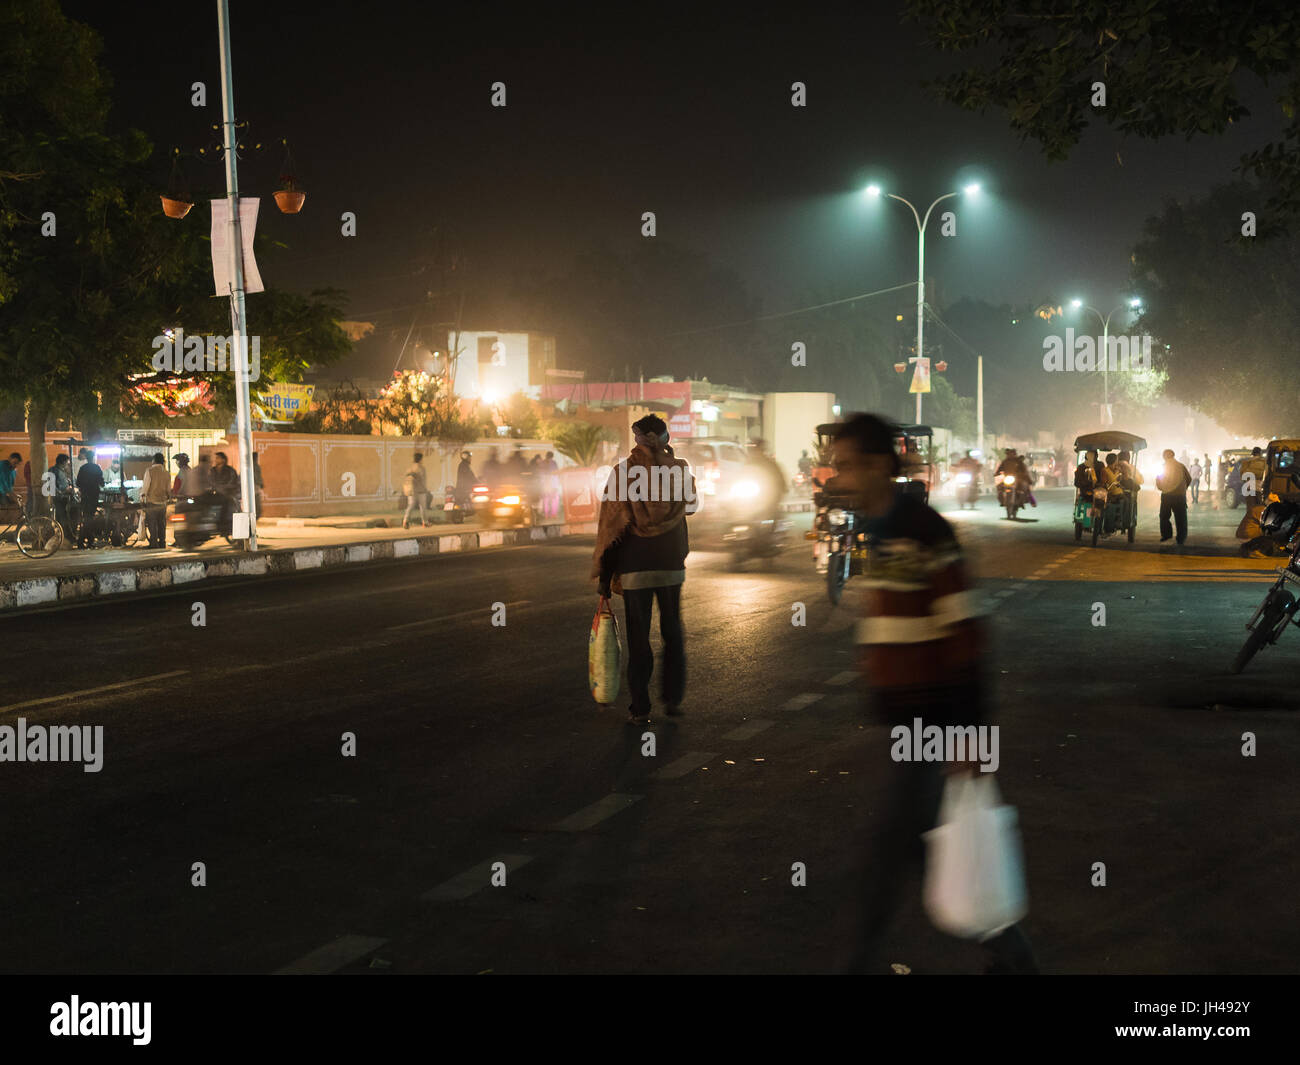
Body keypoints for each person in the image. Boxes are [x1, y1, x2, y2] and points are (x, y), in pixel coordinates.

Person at [833, 413, 1037, 975]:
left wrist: (971, 732)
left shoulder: (923, 530)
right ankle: (1008, 953)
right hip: (905, 721)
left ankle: (862, 961)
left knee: (886, 857)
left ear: (878, 465)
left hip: (932, 723)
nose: (837, 473)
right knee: (928, 850)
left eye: (847, 463)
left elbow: (965, 633)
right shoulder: (876, 527)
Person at [591, 414, 697, 724]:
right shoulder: (680, 470)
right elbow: (691, 505)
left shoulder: (622, 473)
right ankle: (673, 700)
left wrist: (606, 574)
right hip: (671, 564)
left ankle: (640, 708)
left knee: (639, 638)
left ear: (636, 440)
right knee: (672, 631)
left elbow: (611, 528)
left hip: (635, 566)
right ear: (666, 439)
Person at [1156, 448, 1191, 544]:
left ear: (1164, 457)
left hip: (1167, 495)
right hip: (1180, 496)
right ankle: (1181, 538)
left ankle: (1166, 535)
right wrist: (1183, 488)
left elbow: (1158, 480)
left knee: (1164, 516)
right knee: (1181, 518)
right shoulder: (1181, 466)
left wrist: (1163, 488)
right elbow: (1189, 479)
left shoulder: (1163, 467)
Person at [139, 452, 170, 548]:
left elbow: (145, 487)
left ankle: (153, 544)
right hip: (162, 503)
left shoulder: (149, 471)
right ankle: (162, 543)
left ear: (154, 460)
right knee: (162, 524)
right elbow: (169, 489)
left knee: (152, 524)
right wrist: (168, 497)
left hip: (152, 502)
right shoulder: (166, 473)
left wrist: (142, 497)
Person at [75, 451, 104, 548]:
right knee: (89, 519)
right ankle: (84, 541)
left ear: (87, 458)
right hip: (93, 496)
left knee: (87, 519)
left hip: (85, 497)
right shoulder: (97, 468)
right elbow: (102, 482)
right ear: (93, 457)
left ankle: (87, 541)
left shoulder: (83, 468)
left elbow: (78, 483)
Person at [51, 454, 74, 542]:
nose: (68, 464)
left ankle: (64, 536)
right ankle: (65, 536)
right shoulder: (56, 471)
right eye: (67, 462)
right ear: (64, 462)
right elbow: (52, 486)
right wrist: (61, 491)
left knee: (62, 517)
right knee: (62, 517)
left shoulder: (59, 471)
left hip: (61, 497)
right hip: (59, 498)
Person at [402, 452, 429, 529]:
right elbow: (423, 480)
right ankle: (425, 522)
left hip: (411, 490)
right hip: (421, 490)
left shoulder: (410, 468)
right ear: (420, 459)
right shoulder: (422, 468)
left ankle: (405, 521)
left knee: (410, 505)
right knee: (423, 507)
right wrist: (425, 489)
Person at [541, 450, 560, 519]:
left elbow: (540, 475)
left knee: (546, 500)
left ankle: (546, 515)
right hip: (553, 485)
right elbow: (556, 474)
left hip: (545, 485)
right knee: (554, 500)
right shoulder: (554, 463)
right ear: (552, 457)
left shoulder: (542, 463)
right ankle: (553, 514)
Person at [252, 452, 265, 519]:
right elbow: (257, 477)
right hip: (255, 487)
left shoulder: (250, 466)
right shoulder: (256, 466)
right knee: (257, 503)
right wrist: (261, 484)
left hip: (253, 488)